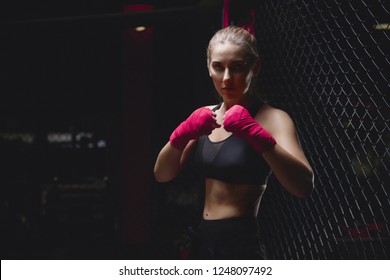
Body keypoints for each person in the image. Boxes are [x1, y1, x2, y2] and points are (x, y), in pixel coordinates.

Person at [153, 26, 314, 259]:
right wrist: (181, 135)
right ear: (209, 67)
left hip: (241, 244)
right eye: (218, 67)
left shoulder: (273, 118)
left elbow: (303, 186)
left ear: (254, 67)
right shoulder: (204, 116)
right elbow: (162, 174)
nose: (227, 78)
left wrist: (258, 136)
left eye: (237, 67)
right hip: (202, 239)